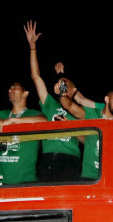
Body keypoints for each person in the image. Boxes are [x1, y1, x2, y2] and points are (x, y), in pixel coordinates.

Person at [24, 21, 81, 182]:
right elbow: (36, 77)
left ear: (74, 91)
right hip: (48, 158)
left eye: (65, 86)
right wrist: (32, 46)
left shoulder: (79, 110)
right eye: (59, 85)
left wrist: (71, 128)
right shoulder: (50, 104)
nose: (61, 87)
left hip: (70, 160)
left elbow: (87, 140)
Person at [0, 83, 46, 185]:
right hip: (1, 180)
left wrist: (12, 120)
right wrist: (4, 121)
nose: (10, 90)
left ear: (25, 93)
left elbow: (44, 122)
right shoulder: (2, 114)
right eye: (9, 88)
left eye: (14, 87)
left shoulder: (33, 114)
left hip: (26, 180)